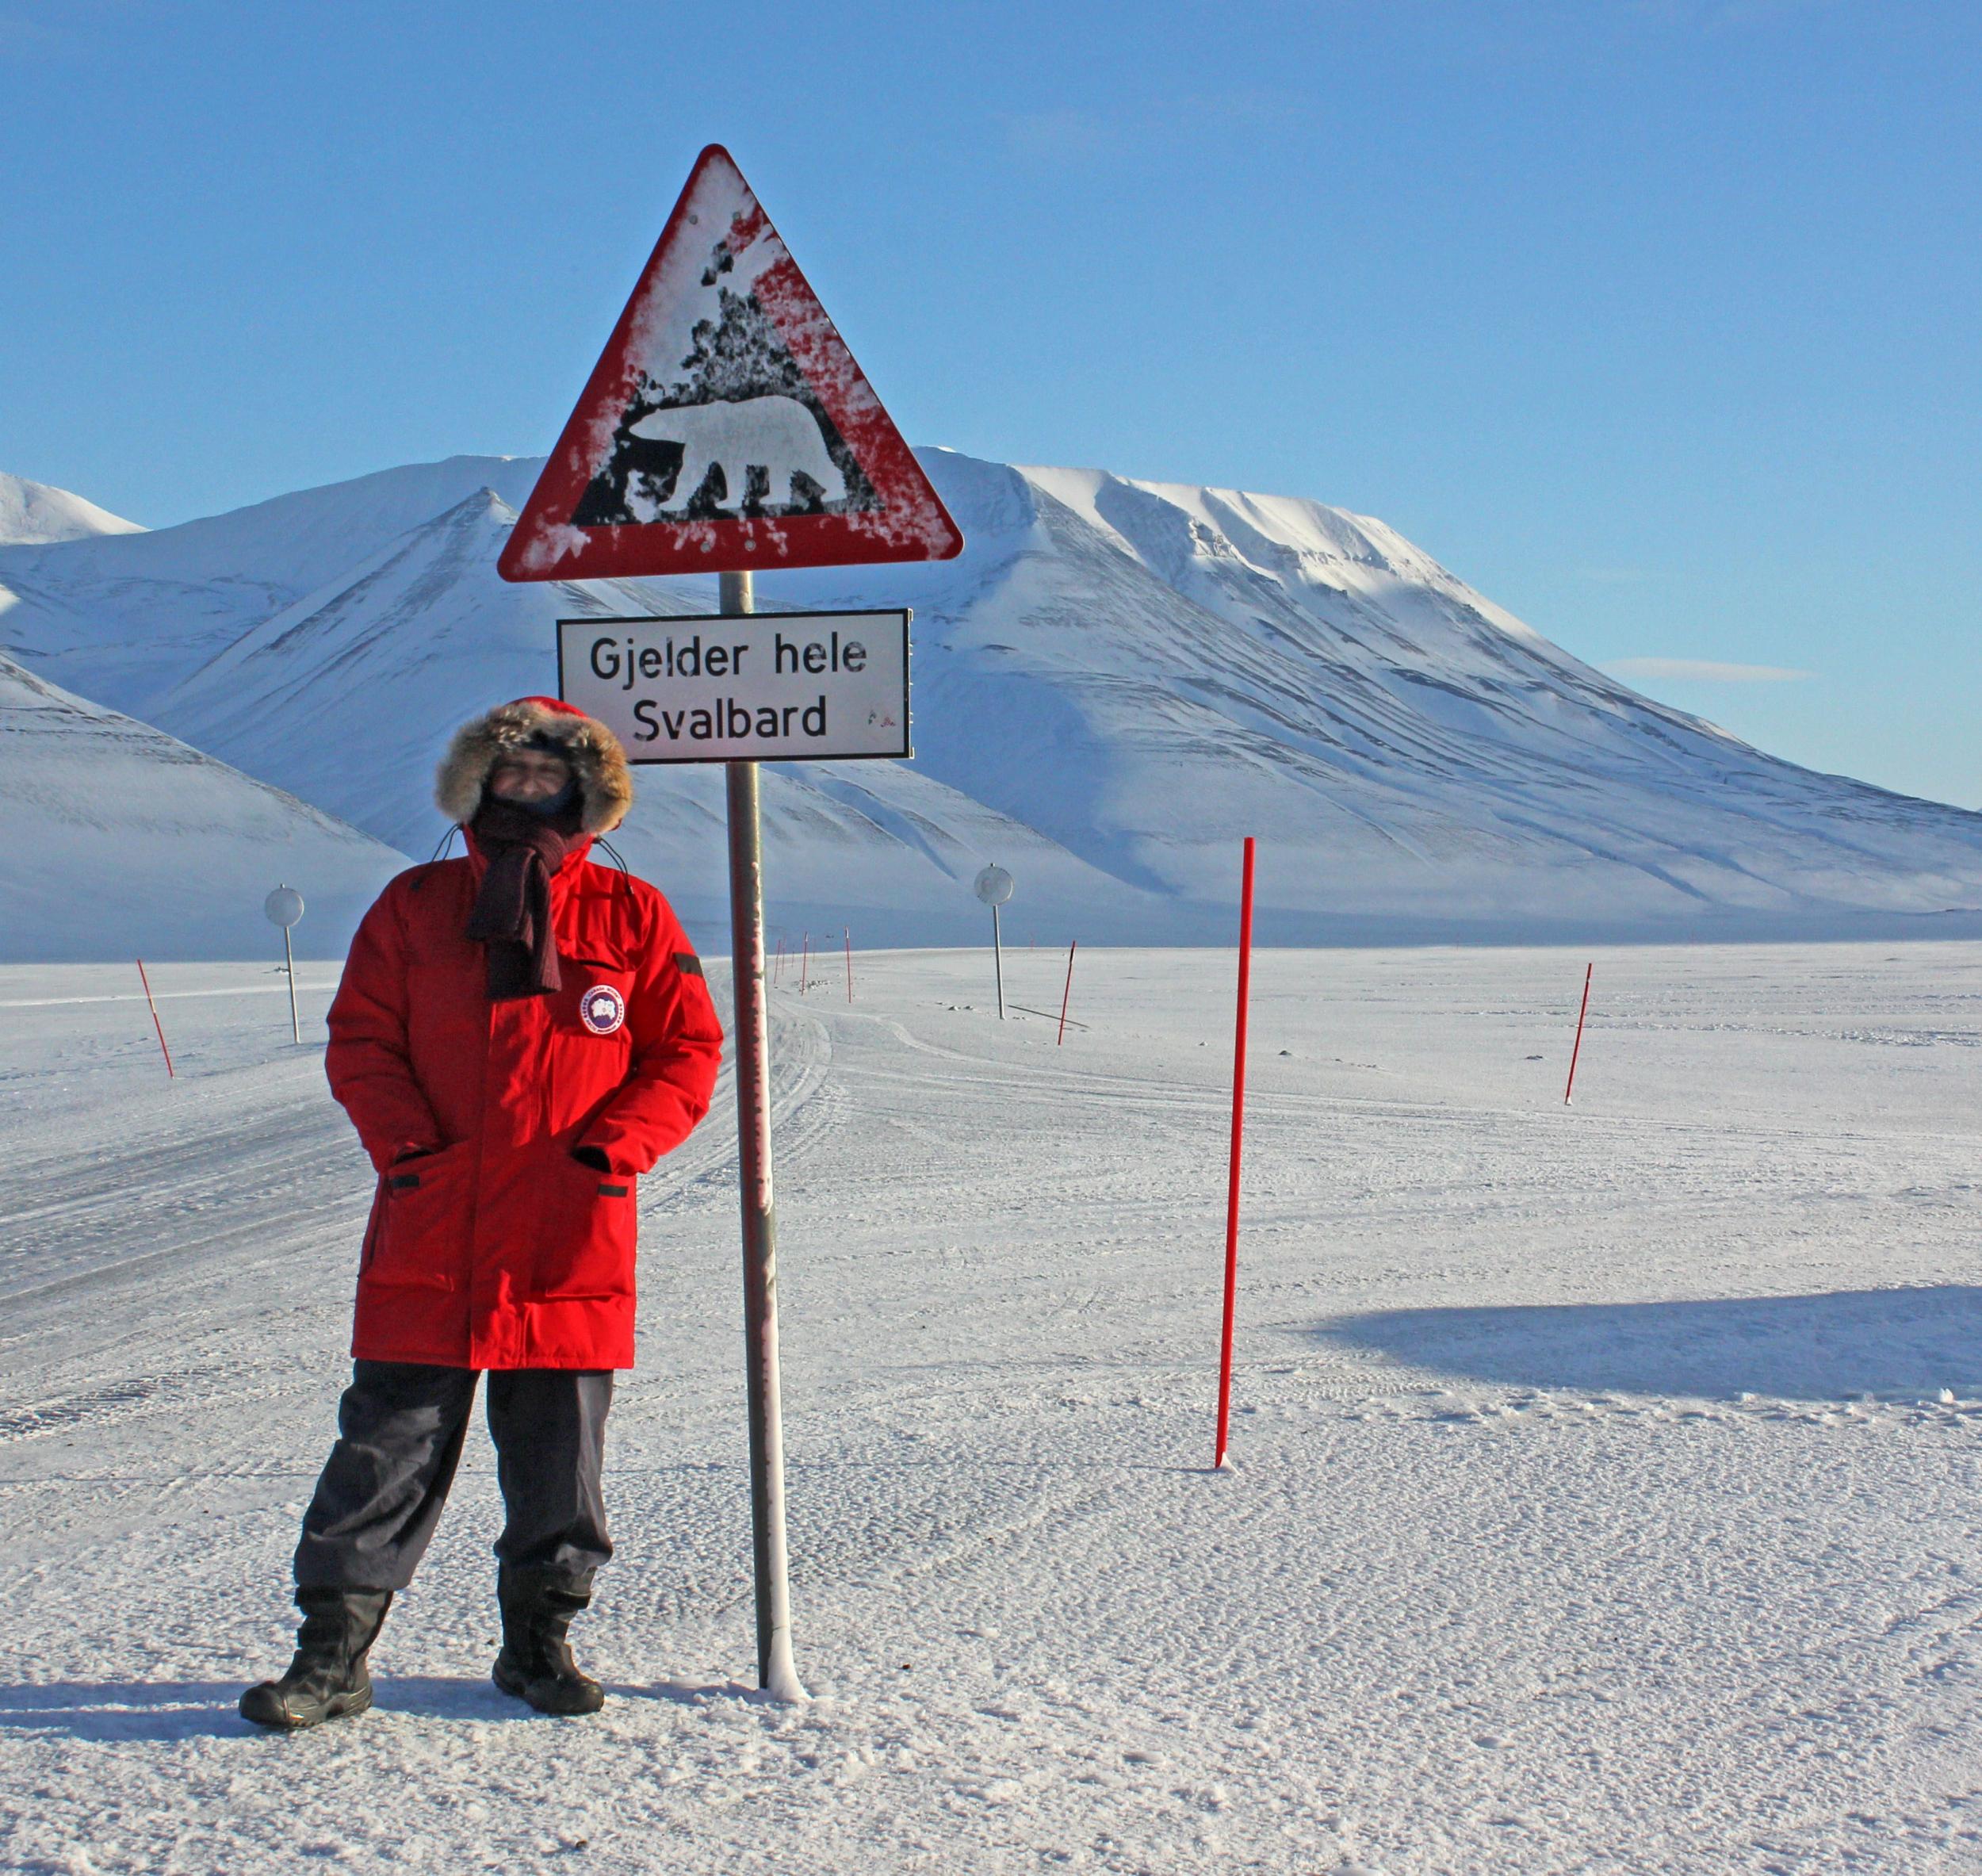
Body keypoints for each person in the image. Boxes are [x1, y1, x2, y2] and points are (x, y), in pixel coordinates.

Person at [240, 696, 723, 1730]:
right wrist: (410, 1150)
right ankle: (331, 1654)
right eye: (510, 777)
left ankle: (539, 1644)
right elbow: (361, 1038)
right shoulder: (415, 906)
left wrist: (611, 1146)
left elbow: (685, 1048)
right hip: (435, 1221)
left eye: (551, 778)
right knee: (385, 1447)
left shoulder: (633, 917)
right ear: (476, 788)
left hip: (568, 1231)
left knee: (560, 1455)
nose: (529, 791)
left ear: (588, 794)